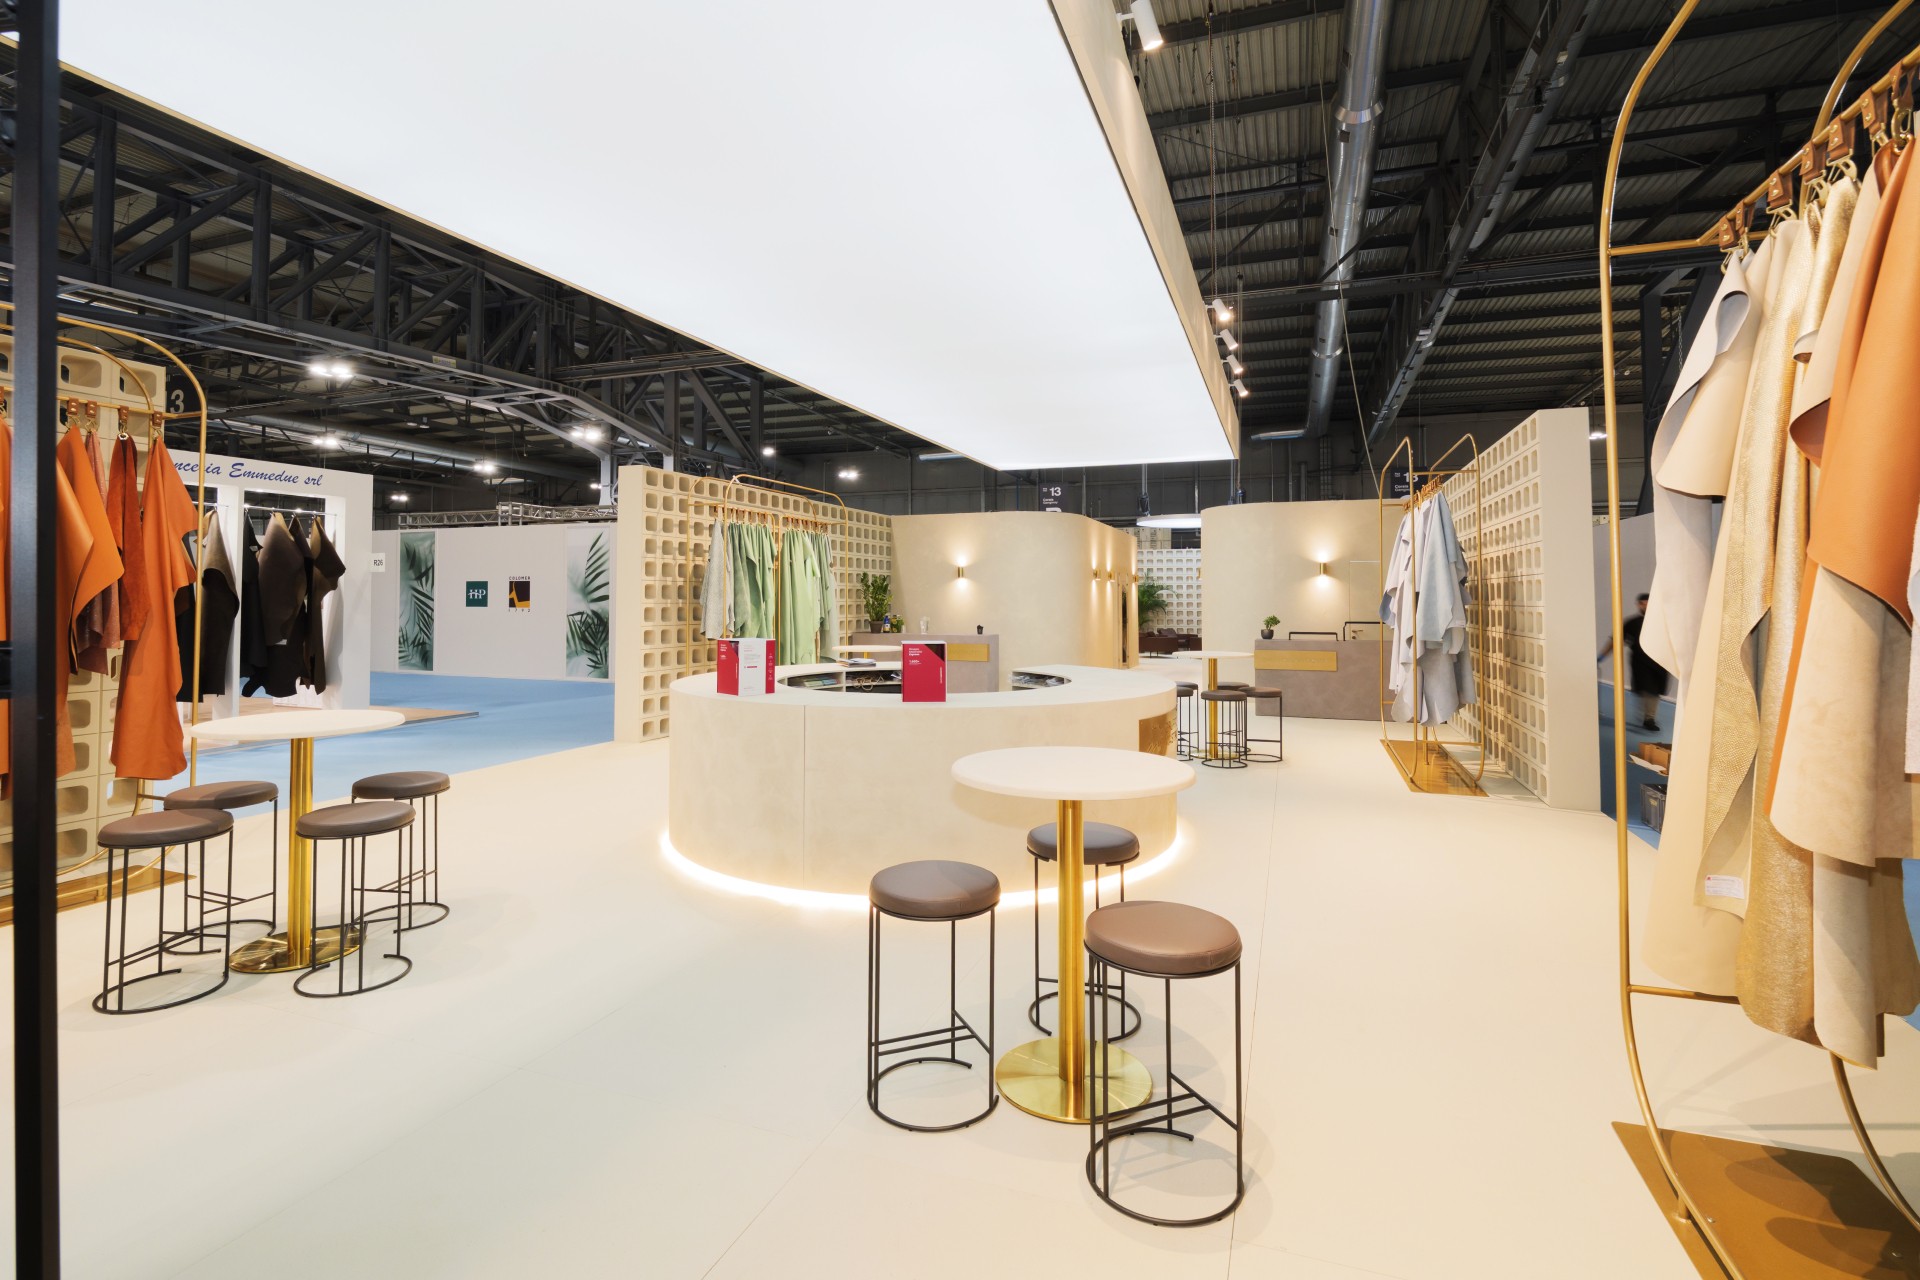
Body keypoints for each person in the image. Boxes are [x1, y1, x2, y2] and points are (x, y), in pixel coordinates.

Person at [1598, 592, 1669, 731]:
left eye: (1647, 603)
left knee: (1655, 691)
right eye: (1642, 603)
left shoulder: (1663, 623)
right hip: (1641, 664)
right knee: (1647, 690)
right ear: (1638, 605)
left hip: (1660, 662)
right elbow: (1616, 640)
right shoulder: (1632, 623)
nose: (1645, 606)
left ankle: (1649, 717)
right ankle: (1649, 718)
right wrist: (1602, 655)